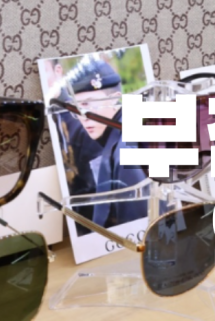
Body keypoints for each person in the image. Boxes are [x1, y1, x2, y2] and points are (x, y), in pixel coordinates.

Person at [54, 57, 147, 233]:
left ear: (115, 99)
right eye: (77, 108)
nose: (83, 117)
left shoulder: (125, 154)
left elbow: (141, 230)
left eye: (89, 104)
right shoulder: (124, 135)